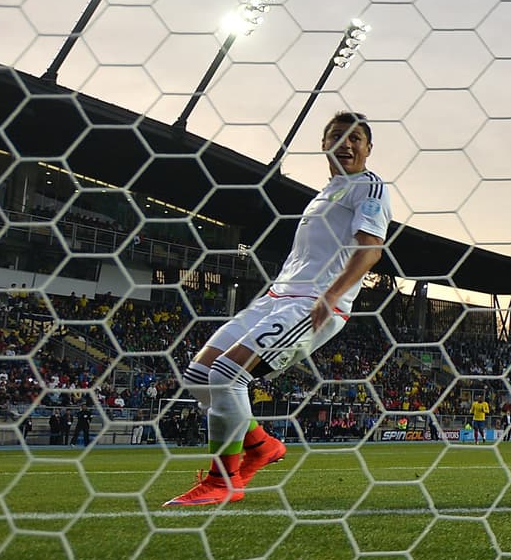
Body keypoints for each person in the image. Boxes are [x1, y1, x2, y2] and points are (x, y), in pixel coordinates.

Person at [164, 112, 391, 506]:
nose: (347, 144)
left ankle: (224, 481)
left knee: (227, 374)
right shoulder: (325, 193)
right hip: (276, 297)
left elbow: (371, 249)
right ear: (324, 145)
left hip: (313, 302)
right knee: (200, 377)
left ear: (369, 149)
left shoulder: (368, 187)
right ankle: (261, 446)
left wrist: (332, 295)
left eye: (356, 138)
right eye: (338, 136)